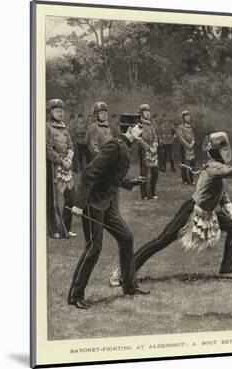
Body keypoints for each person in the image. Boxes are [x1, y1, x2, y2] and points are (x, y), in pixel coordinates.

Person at [108, 132, 232, 286]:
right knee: (160, 241)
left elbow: (222, 193)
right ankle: (122, 272)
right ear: (216, 152)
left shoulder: (220, 168)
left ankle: (227, 269)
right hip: (191, 211)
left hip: (208, 213)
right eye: (223, 148)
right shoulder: (214, 167)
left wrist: (231, 214)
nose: (227, 151)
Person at [67, 120, 150, 309]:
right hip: (93, 202)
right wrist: (79, 204)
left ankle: (129, 287)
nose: (142, 131)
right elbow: (89, 172)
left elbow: (110, 175)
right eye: (140, 128)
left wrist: (131, 183)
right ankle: (75, 296)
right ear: (129, 129)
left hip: (107, 203)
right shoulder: (115, 146)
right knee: (94, 248)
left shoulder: (123, 146)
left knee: (126, 238)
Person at [46, 99, 77, 239]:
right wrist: (61, 160)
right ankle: (54, 229)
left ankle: (66, 227)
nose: (60, 113)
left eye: (62, 111)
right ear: (51, 112)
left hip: (66, 165)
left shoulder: (64, 127)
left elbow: (71, 146)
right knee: (54, 199)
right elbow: (46, 148)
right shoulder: (47, 127)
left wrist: (69, 158)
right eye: (57, 111)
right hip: (54, 166)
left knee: (70, 197)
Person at [138, 104, 160, 200]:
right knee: (144, 174)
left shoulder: (150, 125)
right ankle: (144, 194)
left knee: (155, 172)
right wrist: (148, 147)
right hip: (143, 151)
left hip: (153, 151)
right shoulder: (139, 124)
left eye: (148, 111)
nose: (148, 113)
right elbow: (138, 139)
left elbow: (155, 136)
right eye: (145, 111)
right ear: (142, 113)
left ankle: (152, 192)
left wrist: (155, 144)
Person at [177, 110, 196, 185]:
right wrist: (187, 145)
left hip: (191, 148)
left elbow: (193, 137)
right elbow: (181, 138)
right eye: (186, 116)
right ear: (183, 118)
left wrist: (192, 143)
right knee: (185, 164)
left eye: (189, 116)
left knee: (192, 163)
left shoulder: (190, 128)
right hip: (184, 148)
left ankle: (191, 179)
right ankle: (185, 180)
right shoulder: (180, 127)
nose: (188, 118)